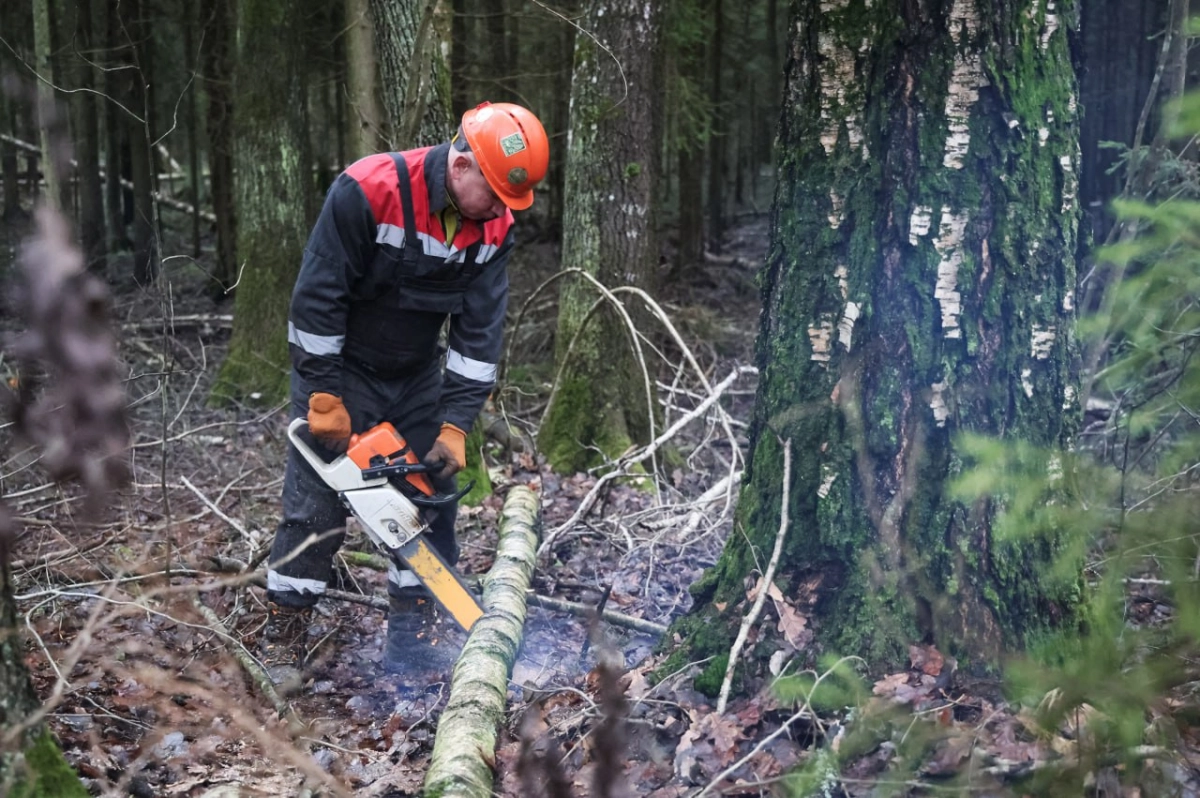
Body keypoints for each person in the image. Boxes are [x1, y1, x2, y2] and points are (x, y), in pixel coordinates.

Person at [261, 102, 549, 677]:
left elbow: (478, 334)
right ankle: (283, 639)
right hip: (341, 367)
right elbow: (317, 299)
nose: (496, 208)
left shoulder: (495, 227)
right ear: (461, 165)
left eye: (506, 200)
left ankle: (411, 646)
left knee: (432, 504)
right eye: (491, 192)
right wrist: (323, 397)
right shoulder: (368, 191)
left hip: (417, 373)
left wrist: (455, 423)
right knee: (314, 512)